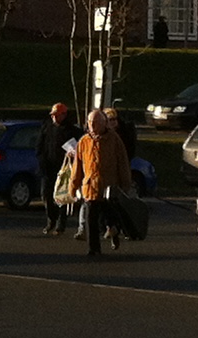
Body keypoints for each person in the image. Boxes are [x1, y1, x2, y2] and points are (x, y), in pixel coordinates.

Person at [68, 106, 134, 256]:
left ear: (104, 123)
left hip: (109, 187)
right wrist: (73, 186)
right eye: (90, 122)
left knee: (110, 215)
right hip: (90, 187)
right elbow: (77, 166)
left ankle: (114, 232)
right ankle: (94, 249)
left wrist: (125, 184)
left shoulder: (114, 140)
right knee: (91, 218)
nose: (92, 126)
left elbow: (122, 162)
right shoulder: (84, 141)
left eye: (95, 122)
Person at [36, 101, 76, 235]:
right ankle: (51, 219)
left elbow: (77, 147)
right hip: (48, 167)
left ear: (64, 115)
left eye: (57, 115)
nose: (54, 117)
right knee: (46, 194)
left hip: (64, 168)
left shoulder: (72, 130)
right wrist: (41, 161)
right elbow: (39, 146)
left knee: (63, 196)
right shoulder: (47, 127)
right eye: (53, 115)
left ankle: (60, 224)